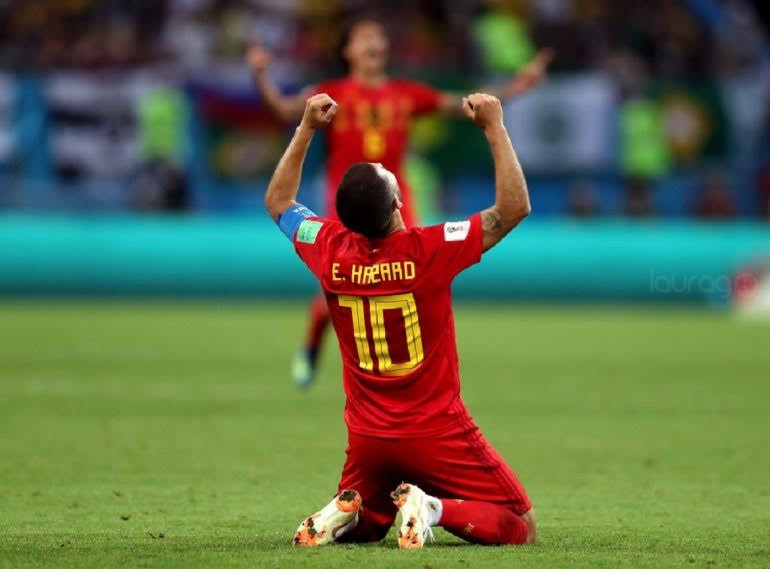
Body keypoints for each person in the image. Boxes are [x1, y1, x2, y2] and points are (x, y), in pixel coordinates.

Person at [264, 92, 534, 548]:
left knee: (371, 525)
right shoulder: (430, 250)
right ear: (396, 203)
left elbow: (279, 201)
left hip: (368, 436)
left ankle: (347, 515)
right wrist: (494, 127)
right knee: (520, 524)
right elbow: (513, 209)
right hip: (435, 429)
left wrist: (306, 129)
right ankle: (433, 508)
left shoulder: (327, 247)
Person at [248, 18, 552, 388]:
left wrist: (518, 86)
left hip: (396, 199)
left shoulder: (405, 94)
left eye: (379, 37)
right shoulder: (332, 93)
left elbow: (466, 104)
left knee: (409, 275)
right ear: (347, 51)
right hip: (349, 201)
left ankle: (407, 354)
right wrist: (260, 76)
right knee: (340, 284)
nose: (374, 43)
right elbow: (283, 110)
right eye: (364, 37)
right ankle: (311, 351)